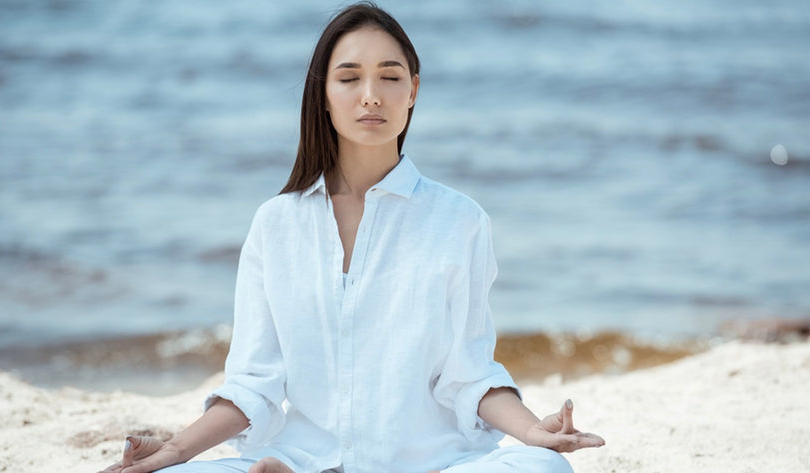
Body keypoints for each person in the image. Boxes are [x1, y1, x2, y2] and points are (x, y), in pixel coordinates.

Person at [100, 3, 604, 473]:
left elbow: (470, 375)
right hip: (302, 456)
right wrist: (175, 450)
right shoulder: (276, 224)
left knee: (543, 468)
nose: (371, 95)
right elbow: (253, 385)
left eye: (390, 77)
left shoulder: (459, 220)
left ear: (414, 91)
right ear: (323, 94)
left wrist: (535, 431)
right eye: (349, 78)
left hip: (429, 463)